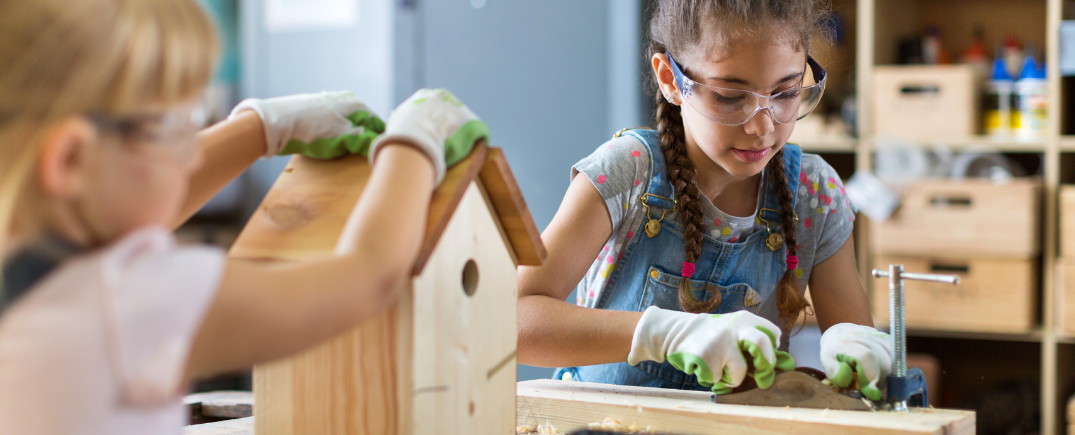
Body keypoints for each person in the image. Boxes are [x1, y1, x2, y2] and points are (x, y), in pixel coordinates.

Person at [0, 1, 486, 433]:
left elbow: (132, 207)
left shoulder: (30, 262)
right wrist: (411, 148)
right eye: (172, 126)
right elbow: (366, 277)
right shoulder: (127, 302)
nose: (191, 154)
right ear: (68, 160)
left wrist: (260, 129)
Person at [517, 0, 892, 400]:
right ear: (671, 79)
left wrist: (861, 349)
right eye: (731, 97)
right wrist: (665, 334)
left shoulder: (813, 195)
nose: (762, 126)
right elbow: (513, 319)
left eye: (785, 92)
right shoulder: (628, 172)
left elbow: (860, 381)